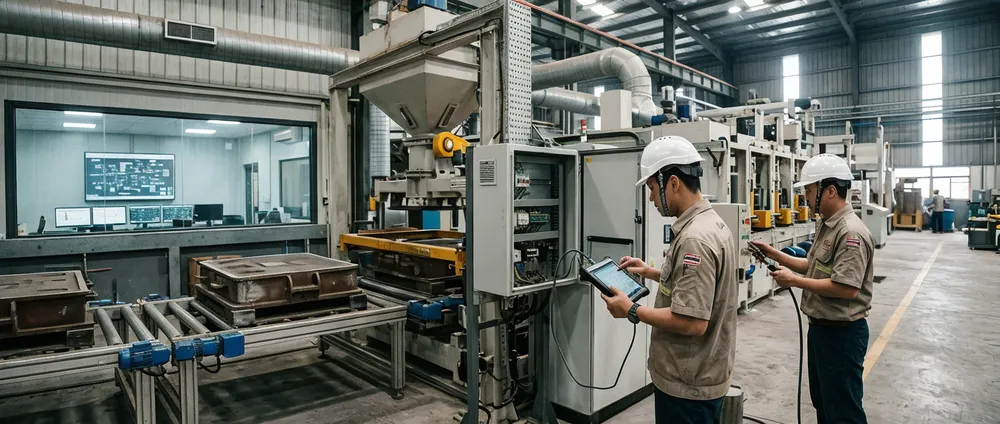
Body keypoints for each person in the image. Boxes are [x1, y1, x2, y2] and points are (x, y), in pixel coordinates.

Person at [600, 136, 737, 424]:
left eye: (651, 188)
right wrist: (651, 272)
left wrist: (631, 310)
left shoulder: (694, 238)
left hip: (688, 385)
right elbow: (698, 286)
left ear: (673, 183)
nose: (650, 198)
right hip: (701, 374)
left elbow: (692, 322)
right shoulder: (710, 223)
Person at [752, 153, 874, 424]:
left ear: (830, 190)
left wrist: (793, 281)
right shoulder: (827, 225)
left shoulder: (850, 232)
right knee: (824, 404)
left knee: (843, 411)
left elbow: (846, 288)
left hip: (842, 334)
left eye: (809, 190)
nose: (805, 197)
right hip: (821, 329)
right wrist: (775, 254)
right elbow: (813, 265)